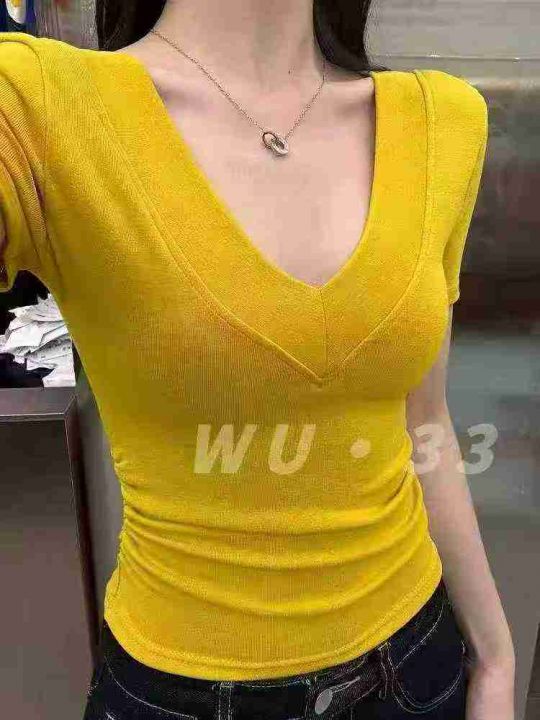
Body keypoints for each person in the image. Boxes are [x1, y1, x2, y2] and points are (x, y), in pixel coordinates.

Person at [0, 1, 515, 718]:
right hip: (179, 691)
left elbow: (423, 420)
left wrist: (496, 658)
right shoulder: (36, 108)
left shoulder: (445, 122)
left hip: (419, 666)